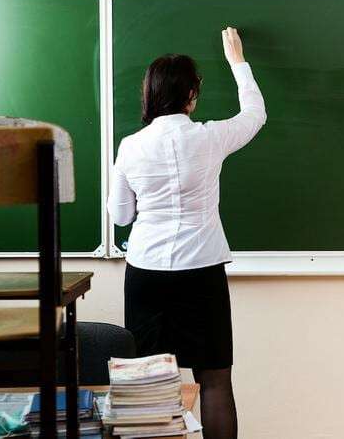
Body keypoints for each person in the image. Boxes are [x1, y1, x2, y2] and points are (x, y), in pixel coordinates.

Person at [107, 27, 265, 439]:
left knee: (149, 383)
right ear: (191, 95)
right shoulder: (210, 137)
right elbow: (254, 115)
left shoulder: (130, 147)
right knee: (214, 380)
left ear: (149, 94)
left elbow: (120, 215)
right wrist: (238, 63)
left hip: (146, 273)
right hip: (202, 271)